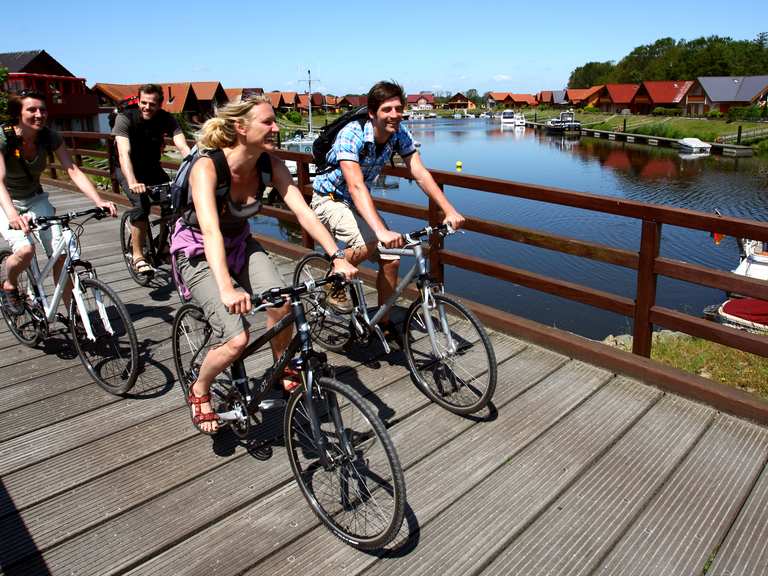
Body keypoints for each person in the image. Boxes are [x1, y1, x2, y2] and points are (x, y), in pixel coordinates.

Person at [170, 96, 357, 435]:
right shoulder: (207, 167)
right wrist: (226, 287)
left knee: (282, 301)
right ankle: (200, 389)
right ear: (240, 127)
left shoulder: (270, 164)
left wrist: (336, 255)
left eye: (275, 121)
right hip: (198, 249)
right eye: (268, 122)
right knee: (236, 340)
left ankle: (281, 368)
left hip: (240, 244)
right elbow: (210, 230)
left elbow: (303, 212)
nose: (277, 128)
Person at [311, 80, 465, 341]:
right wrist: (380, 231)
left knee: (391, 259)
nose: (394, 115)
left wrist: (449, 210)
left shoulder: (399, 133)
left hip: (358, 201)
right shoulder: (352, 133)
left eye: (398, 108)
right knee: (370, 243)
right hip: (330, 198)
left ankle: (381, 322)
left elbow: (419, 172)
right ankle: (334, 280)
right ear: (372, 113)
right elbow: (356, 185)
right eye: (386, 109)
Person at [0, 91, 117, 316]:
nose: (39, 114)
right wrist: (13, 215)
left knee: (61, 255)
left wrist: (99, 200)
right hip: (6, 200)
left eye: (42, 109)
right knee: (25, 250)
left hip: (36, 198)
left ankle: (75, 316)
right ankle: (10, 284)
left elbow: (72, 170)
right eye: (31, 110)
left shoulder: (49, 137)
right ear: (18, 114)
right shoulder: (4, 138)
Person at [113, 83, 190, 274]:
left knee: (174, 201)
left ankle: (163, 245)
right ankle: (138, 255)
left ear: (159, 104)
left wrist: (194, 164)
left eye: (152, 104)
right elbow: (124, 152)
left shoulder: (166, 118)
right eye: (143, 102)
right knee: (141, 206)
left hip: (152, 167)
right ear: (138, 101)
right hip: (128, 168)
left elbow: (182, 145)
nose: (147, 107)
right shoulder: (125, 118)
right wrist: (131, 181)